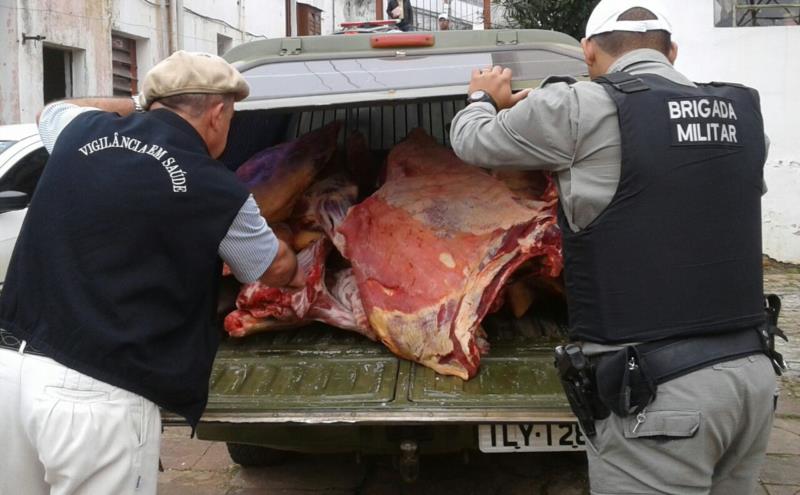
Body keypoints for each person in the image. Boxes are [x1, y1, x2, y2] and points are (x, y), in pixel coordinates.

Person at [450, 0, 780, 493]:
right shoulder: (743, 115)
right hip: (753, 379)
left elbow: (471, 141)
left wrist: (482, 96)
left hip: (661, 398)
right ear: (672, 50)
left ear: (588, 51)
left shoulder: (581, 106)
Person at [0, 50, 304, 495]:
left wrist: (141, 104)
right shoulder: (216, 188)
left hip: (10, 372)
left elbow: (53, 109)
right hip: (97, 398)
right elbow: (270, 268)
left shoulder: (80, 130)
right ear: (218, 113)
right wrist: (298, 256)